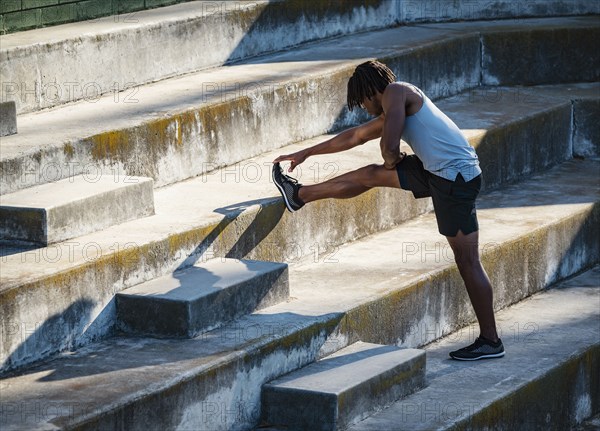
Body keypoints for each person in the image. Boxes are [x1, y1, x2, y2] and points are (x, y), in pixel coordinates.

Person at [272, 60, 504, 361]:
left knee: (468, 261)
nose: (363, 108)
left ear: (371, 91)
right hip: (440, 172)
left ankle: (490, 341)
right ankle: (299, 195)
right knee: (370, 174)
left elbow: (389, 146)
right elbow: (355, 136)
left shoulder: (396, 92)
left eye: (361, 101)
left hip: (455, 180)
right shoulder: (397, 104)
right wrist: (307, 152)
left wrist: (392, 159)